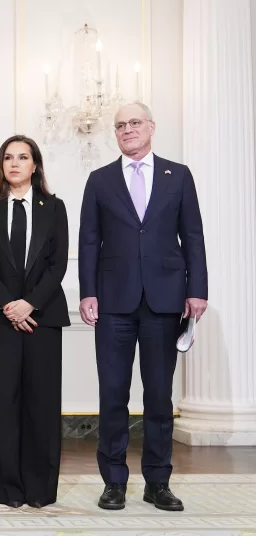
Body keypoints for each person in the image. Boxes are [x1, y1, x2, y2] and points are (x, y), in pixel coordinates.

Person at [79, 102, 208, 512]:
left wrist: (197, 289)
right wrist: (87, 292)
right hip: (113, 301)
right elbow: (87, 241)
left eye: (135, 123)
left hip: (165, 300)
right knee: (113, 394)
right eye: (120, 126)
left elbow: (193, 236)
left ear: (151, 127)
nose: (128, 130)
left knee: (158, 395)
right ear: (114, 134)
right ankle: (114, 481)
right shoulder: (99, 180)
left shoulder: (179, 175)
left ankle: (158, 482)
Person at [0, 135, 69, 508]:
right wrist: (9, 305)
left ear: (34, 165)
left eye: (22, 157)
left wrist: (30, 304)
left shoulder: (54, 207)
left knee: (41, 404)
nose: (14, 163)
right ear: (1, 164)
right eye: (8, 157)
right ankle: (6, 489)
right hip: (0, 319)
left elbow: (57, 264)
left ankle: (40, 490)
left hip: (43, 318)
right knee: (1, 403)